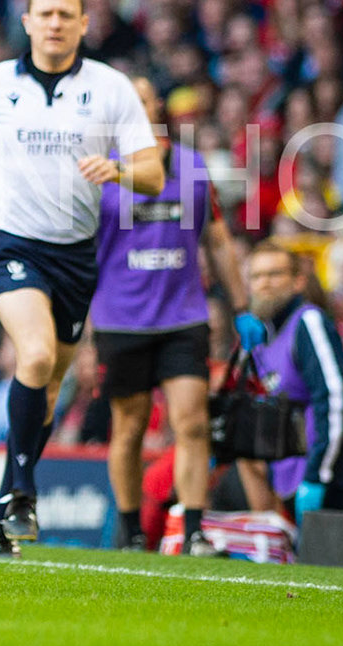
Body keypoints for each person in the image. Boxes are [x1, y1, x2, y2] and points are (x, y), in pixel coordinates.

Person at [0, 0, 162, 556]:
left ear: (83, 24)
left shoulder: (111, 88)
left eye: (65, 14)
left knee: (49, 388)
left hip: (77, 255)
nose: (55, 23)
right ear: (26, 22)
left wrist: (119, 171)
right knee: (38, 354)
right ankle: (25, 488)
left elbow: (152, 171)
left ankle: (3, 508)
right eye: (44, 13)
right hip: (10, 245)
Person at [95, 76, 254, 554]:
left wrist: (241, 305)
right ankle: (130, 531)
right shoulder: (100, 171)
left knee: (192, 423)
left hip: (183, 316)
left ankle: (194, 532)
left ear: (156, 106)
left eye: (142, 100)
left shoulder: (193, 168)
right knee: (129, 427)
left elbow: (218, 240)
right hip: (120, 319)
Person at [242, 241, 343, 515]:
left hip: (335, 469)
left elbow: (331, 396)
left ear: (298, 281)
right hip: (293, 469)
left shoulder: (308, 321)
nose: (264, 284)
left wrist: (318, 474)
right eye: (256, 276)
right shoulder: (263, 334)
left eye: (274, 274)